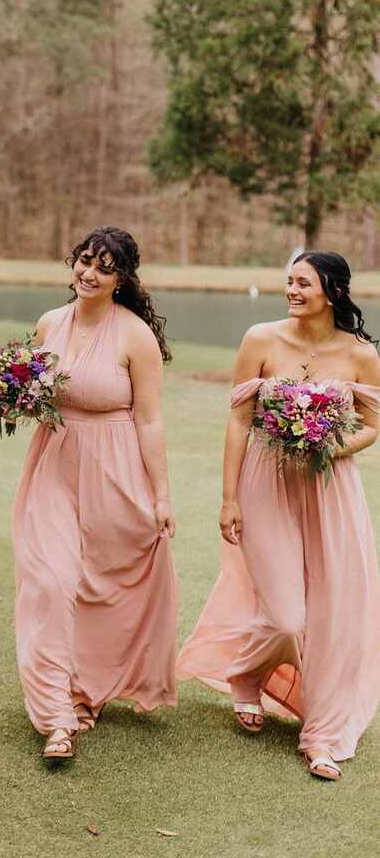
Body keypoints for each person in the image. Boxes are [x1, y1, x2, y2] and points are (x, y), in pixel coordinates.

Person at [177, 251, 380, 781]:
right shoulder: (260, 340)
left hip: (329, 487)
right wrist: (228, 498)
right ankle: (246, 673)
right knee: (287, 613)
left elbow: (372, 425)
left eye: (302, 283)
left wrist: (332, 446)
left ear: (332, 291)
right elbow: (239, 421)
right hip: (265, 481)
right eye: (288, 281)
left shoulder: (360, 354)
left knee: (333, 610)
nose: (291, 291)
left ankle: (323, 736)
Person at [12, 225, 178, 762]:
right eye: (85, 260)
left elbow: (149, 422)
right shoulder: (48, 323)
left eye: (105, 267)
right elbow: (34, 396)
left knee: (101, 587)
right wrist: (10, 395)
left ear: (121, 278)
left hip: (115, 467)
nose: (89, 273)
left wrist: (161, 497)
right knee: (50, 581)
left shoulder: (135, 336)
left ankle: (86, 691)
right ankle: (56, 716)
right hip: (54, 463)